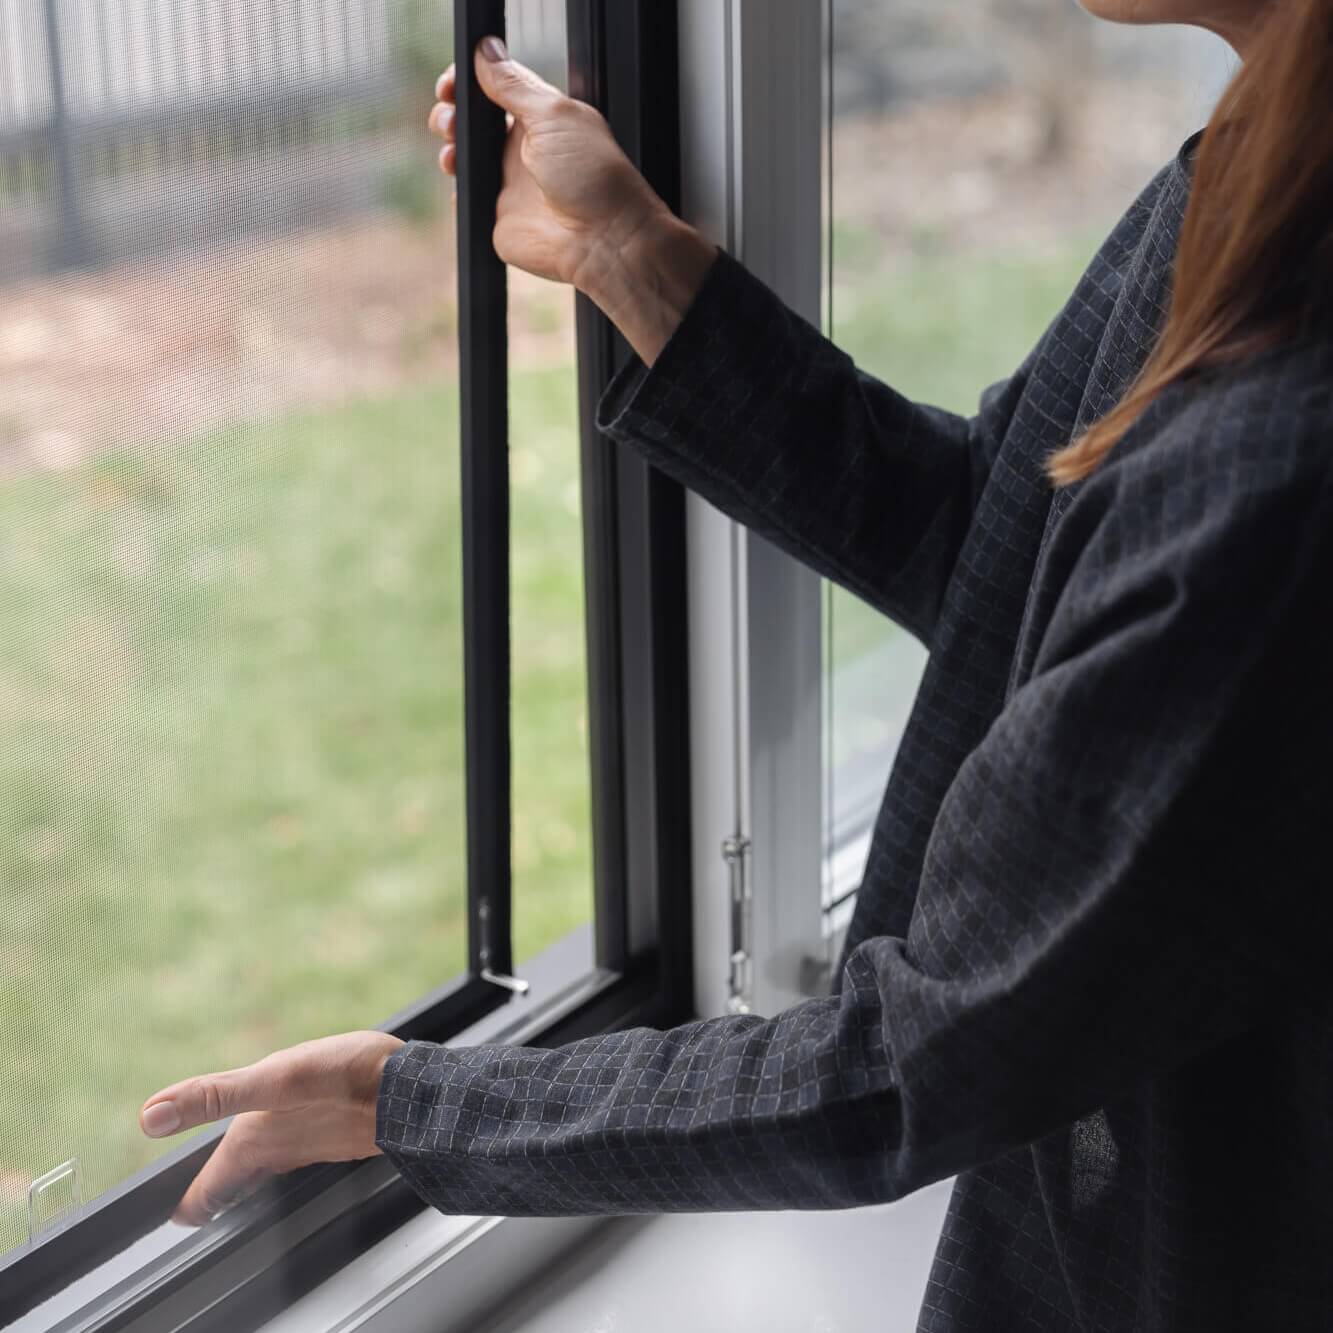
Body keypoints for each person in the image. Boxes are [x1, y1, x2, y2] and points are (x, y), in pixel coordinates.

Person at [138, 2, 1333, 1327]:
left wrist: (410, 1101)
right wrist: (626, 255)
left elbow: (913, 1061)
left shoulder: (1289, 450)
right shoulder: (1256, 173)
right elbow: (1004, 555)